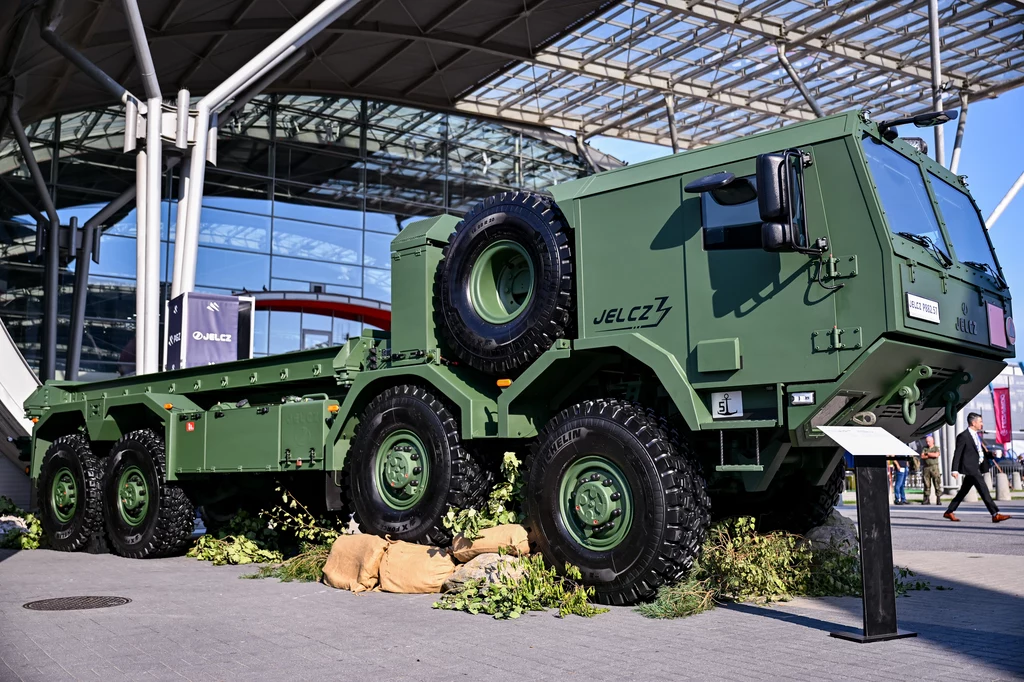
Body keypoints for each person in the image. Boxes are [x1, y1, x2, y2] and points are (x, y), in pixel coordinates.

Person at [944, 413, 1012, 523]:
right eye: (980, 421)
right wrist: (954, 469)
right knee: (983, 489)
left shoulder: (976, 436)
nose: (982, 424)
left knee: (963, 491)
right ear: (973, 422)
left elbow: (979, 453)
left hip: (977, 467)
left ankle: (949, 511)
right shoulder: (963, 436)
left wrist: (991, 454)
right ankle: (995, 514)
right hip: (970, 468)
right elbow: (957, 453)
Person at [920, 435, 942, 504]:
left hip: (934, 467)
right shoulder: (924, 448)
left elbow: (936, 455)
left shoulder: (936, 448)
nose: (927, 443)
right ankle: (926, 499)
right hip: (926, 467)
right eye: (927, 442)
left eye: (929, 441)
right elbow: (922, 456)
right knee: (926, 483)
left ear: (932, 441)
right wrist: (930, 455)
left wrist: (928, 454)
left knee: (936, 482)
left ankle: (938, 499)